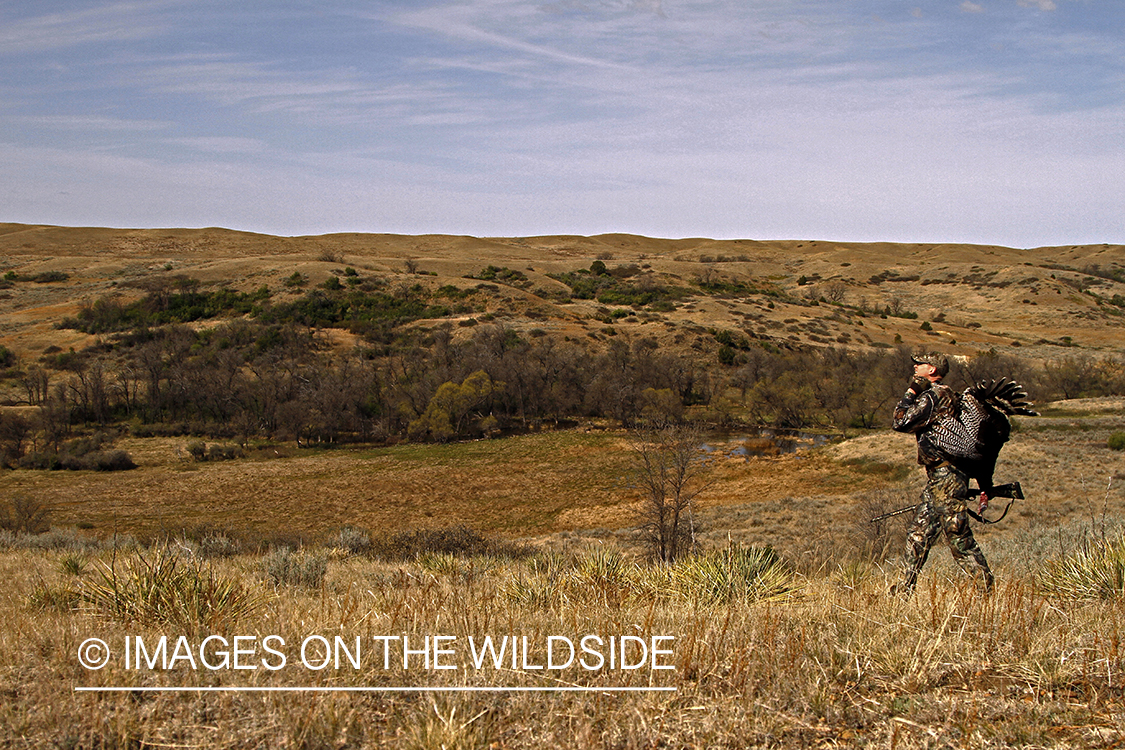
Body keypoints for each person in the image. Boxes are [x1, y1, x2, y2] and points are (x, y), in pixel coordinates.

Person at [891, 353, 994, 593]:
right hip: (941, 478)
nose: (915, 366)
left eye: (921, 364)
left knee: (958, 537)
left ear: (933, 369)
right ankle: (904, 588)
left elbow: (900, 421)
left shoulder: (934, 395)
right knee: (919, 533)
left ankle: (985, 590)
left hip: (946, 477)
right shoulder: (950, 395)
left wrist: (912, 391)